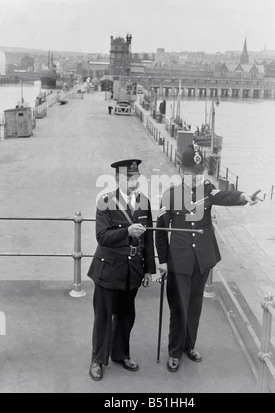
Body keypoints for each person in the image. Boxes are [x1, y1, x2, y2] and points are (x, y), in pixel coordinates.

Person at [155, 143, 262, 373]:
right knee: (179, 307)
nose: (194, 178)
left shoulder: (207, 190)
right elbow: (162, 230)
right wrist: (162, 261)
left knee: (195, 306)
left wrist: (244, 197)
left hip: (202, 258)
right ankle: (174, 352)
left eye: (198, 173)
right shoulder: (170, 195)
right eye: (190, 173)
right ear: (181, 172)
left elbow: (223, 195)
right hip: (179, 261)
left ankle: (189, 346)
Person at [87, 159, 156, 381]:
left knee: (127, 315)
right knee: (104, 317)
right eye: (129, 178)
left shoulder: (144, 202)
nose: (134, 183)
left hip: (132, 271)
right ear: (118, 179)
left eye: (137, 178)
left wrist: (148, 270)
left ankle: (120, 353)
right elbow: (102, 237)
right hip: (109, 270)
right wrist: (127, 231)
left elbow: (149, 238)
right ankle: (97, 359)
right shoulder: (105, 202)